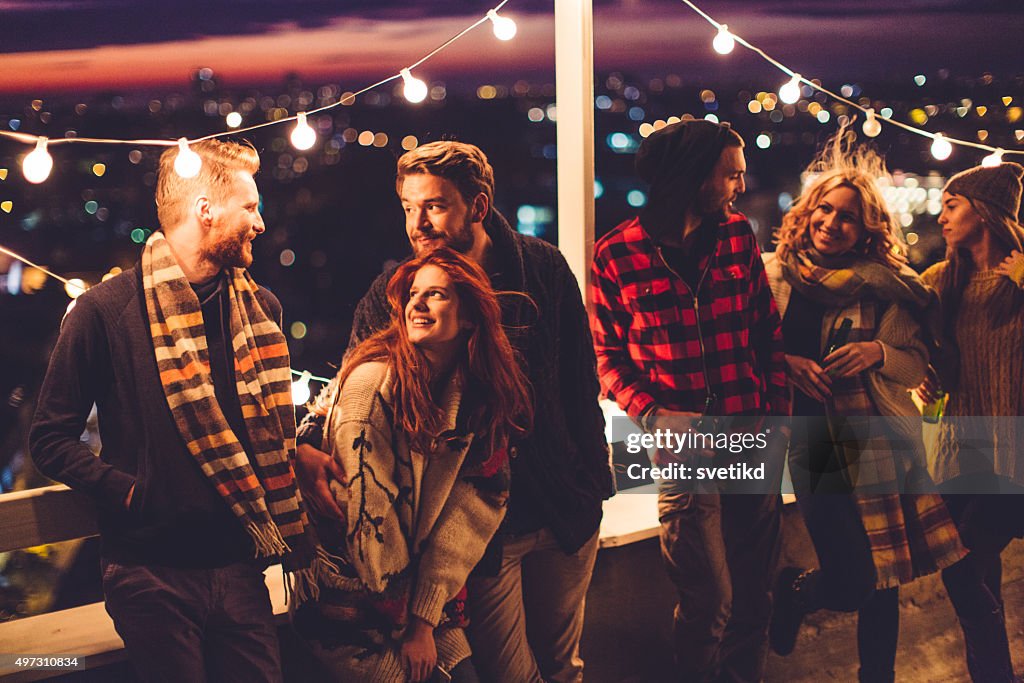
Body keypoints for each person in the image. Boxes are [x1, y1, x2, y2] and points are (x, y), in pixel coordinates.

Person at [294, 141, 614, 682]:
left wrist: (593, 485)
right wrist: (305, 440)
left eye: (434, 206)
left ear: (479, 206)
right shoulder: (395, 294)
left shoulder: (541, 269)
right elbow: (350, 386)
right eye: (408, 207)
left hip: (563, 506)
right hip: (478, 527)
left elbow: (581, 384)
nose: (418, 223)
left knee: (562, 665)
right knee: (509, 674)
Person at [29, 139, 334, 682]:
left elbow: (272, 425)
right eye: (250, 206)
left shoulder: (261, 310)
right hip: (151, 572)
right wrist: (128, 491)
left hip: (241, 565)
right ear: (205, 210)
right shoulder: (106, 311)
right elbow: (51, 438)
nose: (260, 223)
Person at [590, 118, 790, 683]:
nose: (740, 185)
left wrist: (778, 420)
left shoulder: (737, 237)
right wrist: (652, 413)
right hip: (683, 450)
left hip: (752, 433)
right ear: (693, 175)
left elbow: (765, 334)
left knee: (755, 597)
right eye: (731, 173)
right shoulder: (615, 256)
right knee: (709, 600)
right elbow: (607, 359)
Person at [763, 134, 965, 683]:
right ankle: (799, 590)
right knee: (853, 578)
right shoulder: (771, 277)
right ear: (806, 214)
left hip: (875, 439)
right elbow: (745, 351)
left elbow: (916, 368)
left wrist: (878, 353)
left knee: (885, 583)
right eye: (824, 209)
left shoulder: (884, 290)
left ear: (867, 229)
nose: (832, 222)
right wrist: (784, 363)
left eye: (848, 217)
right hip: (811, 446)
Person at [294, 248, 532, 682]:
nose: (417, 304)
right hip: (349, 605)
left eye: (436, 295)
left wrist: (423, 619)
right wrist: (414, 629)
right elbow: (369, 523)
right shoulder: (371, 385)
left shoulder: (475, 396)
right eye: (413, 294)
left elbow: (470, 516)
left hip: (419, 604)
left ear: (470, 319)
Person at [916, 161, 1024, 683]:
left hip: (1014, 454)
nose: (942, 217)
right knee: (978, 574)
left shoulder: (1021, 277)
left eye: (953, 205)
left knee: (964, 568)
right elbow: (911, 340)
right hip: (962, 449)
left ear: (984, 211)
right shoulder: (941, 280)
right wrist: (923, 373)